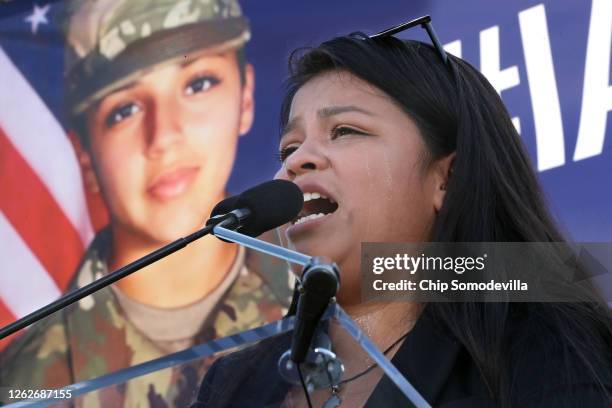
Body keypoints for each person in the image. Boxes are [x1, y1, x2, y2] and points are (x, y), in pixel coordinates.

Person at [191, 24, 612, 407]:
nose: (297, 160)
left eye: (344, 130)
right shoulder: (233, 384)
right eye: (288, 149)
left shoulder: (549, 349)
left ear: (447, 178)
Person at [0, 0, 292, 406]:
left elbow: (411, 274)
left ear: (245, 97)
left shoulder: (336, 261)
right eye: (125, 110)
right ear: (84, 152)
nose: (164, 136)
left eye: (198, 84)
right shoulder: (25, 382)